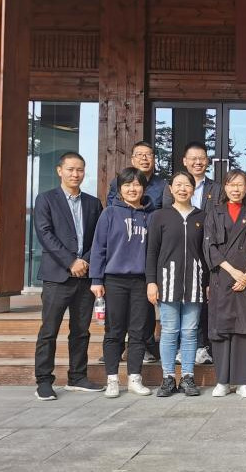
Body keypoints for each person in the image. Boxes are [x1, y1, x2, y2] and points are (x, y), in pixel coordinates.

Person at [32, 152, 104, 400]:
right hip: (57, 276)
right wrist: (70, 261)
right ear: (59, 170)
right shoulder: (46, 199)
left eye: (80, 170)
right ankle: (44, 380)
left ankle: (77, 377)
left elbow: (99, 238)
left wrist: (85, 261)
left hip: (85, 276)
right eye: (71, 169)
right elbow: (45, 234)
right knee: (49, 330)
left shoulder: (93, 203)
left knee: (81, 330)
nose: (75, 174)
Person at [90, 167, 154, 398]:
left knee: (138, 332)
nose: (132, 189)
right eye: (127, 185)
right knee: (114, 332)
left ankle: (135, 378)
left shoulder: (151, 215)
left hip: (141, 281)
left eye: (137, 184)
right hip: (114, 280)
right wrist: (96, 279)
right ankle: (112, 379)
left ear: (143, 188)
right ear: (120, 189)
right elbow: (99, 247)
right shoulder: (109, 214)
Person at [203, 169, 246, 398]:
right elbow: (209, 247)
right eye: (231, 184)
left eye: (240, 185)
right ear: (225, 187)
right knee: (222, 329)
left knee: (244, 329)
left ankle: (244, 381)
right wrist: (233, 272)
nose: (235, 189)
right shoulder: (214, 213)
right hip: (222, 277)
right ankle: (222, 380)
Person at [104, 140, 164, 364]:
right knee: (116, 316)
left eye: (149, 154)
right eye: (140, 154)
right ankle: (115, 350)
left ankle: (145, 348)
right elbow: (112, 210)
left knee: (143, 314)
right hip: (119, 260)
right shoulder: (117, 184)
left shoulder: (162, 185)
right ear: (132, 159)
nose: (144, 158)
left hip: (145, 254)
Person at [147, 171, 207, 398]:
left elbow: (206, 253)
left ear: (193, 189)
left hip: (194, 281)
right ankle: (168, 377)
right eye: (178, 185)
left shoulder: (202, 216)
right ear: (170, 189)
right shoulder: (160, 216)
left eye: (187, 185)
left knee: (190, 332)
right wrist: (151, 282)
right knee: (170, 331)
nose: (183, 189)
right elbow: (151, 252)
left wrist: (207, 283)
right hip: (167, 281)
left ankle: (188, 376)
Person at [162, 142, 216, 366]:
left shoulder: (216, 189)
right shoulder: (170, 194)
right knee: (171, 322)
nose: (197, 162)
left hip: (202, 258)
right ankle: (173, 363)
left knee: (196, 315)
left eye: (202, 158)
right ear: (184, 161)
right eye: (193, 158)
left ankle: (199, 352)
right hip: (173, 265)